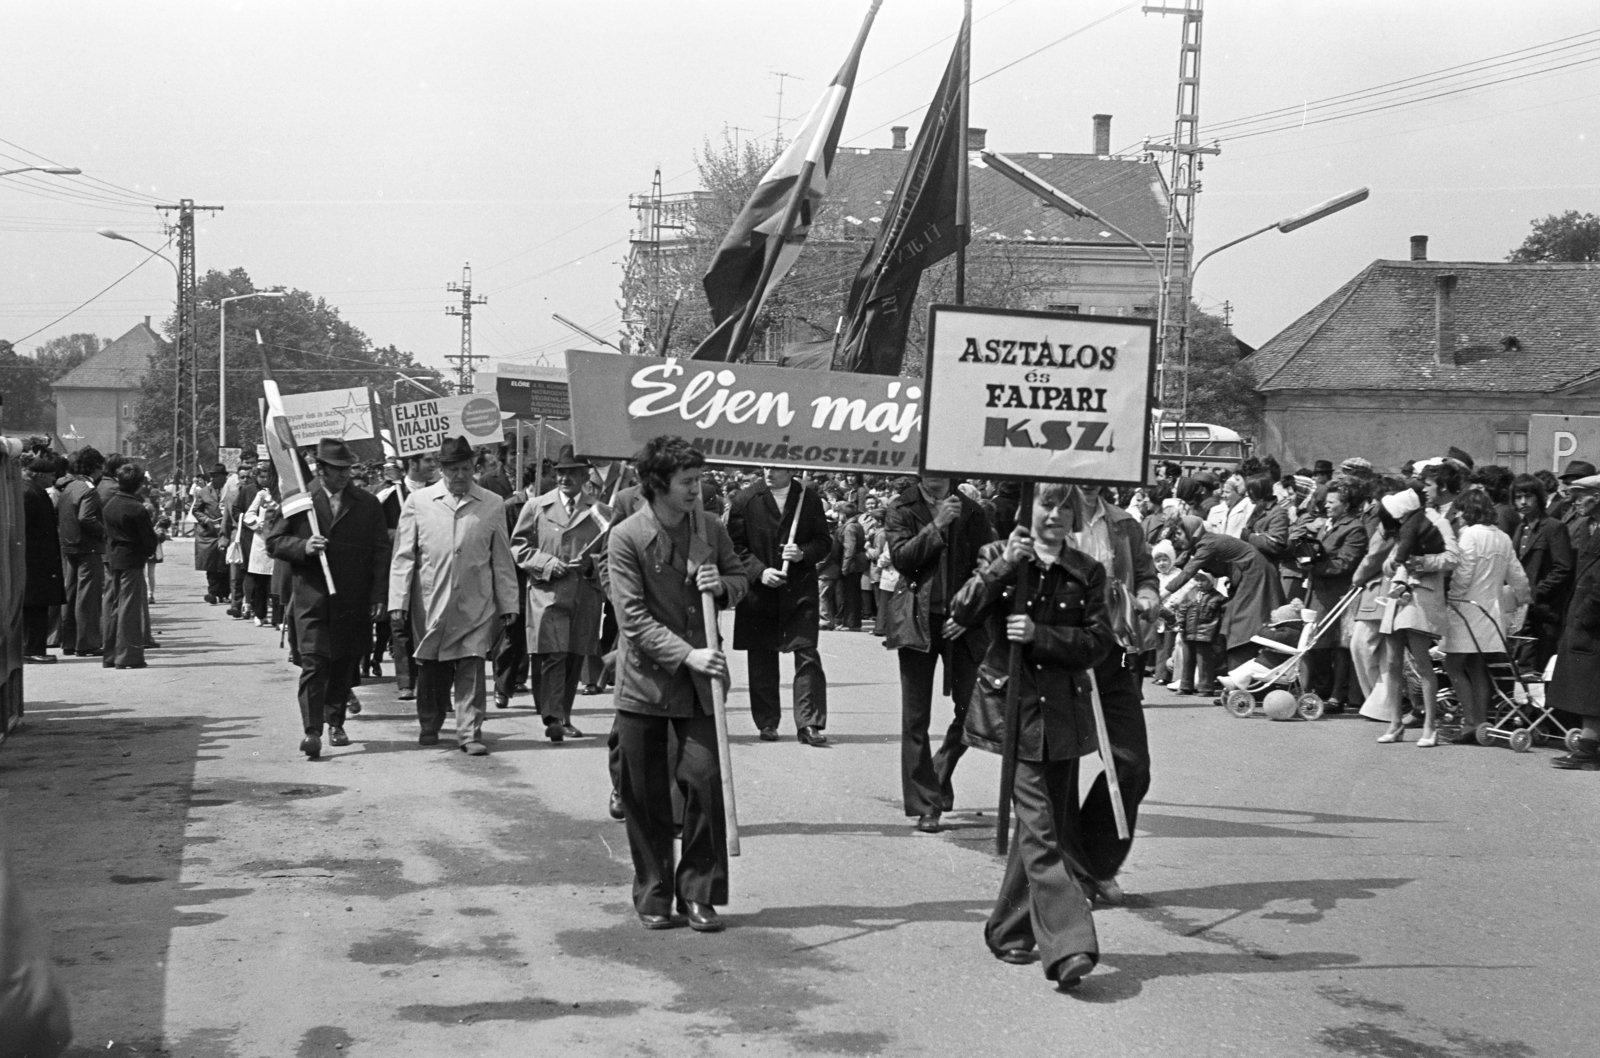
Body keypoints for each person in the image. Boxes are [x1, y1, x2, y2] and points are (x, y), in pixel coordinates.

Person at [949, 482, 1113, 990]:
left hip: (1063, 714)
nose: (1056, 514)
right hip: (1013, 711)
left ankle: (1008, 930)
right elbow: (962, 610)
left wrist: (1040, 635)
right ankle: (1069, 943)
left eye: (1065, 506)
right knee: (1041, 828)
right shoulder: (999, 556)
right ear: (1029, 508)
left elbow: (1099, 642)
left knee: (1043, 828)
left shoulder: (1087, 571)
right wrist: (1004, 567)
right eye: (1046, 503)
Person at [607, 435, 748, 932]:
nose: (696, 489)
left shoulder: (710, 527)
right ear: (657, 484)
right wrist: (687, 654)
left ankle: (699, 893)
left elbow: (740, 577)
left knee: (705, 782)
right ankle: (654, 892)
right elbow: (632, 618)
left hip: (701, 687)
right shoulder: (626, 537)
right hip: (645, 685)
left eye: (699, 480)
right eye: (687, 481)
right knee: (644, 794)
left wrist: (723, 587)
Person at [390, 436, 519, 756]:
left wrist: (508, 603)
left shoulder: (491, 503)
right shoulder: (418, 502)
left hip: (476, 601)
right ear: (441, 470)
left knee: (472, 664)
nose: (460, 475)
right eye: (452, 470)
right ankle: (430, 723)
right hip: (431, 601)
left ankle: (469, 732)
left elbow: (502, 558)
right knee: (431, 666)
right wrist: (398, 600)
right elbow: (403, 556)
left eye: (465, 468)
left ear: (474, 468)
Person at [883, 472, 994, 833]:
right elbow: (903, 559)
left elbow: (987, 569)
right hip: (918, 620)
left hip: (963, 624)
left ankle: (938, 770)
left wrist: (968, 613)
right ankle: (925, 804)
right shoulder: (902, 507)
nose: (933, 476)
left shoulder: (973, 511)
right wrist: (938, 525)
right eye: (926, 469)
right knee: (915, 717)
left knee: (973, 709)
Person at [266, 438, 391, 759]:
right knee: (313, 662)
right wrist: (303, 547)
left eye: (347, 468)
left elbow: (380, 552)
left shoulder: (367, 503)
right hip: (311, 599)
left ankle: (336, 722)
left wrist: (379, 595)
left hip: (352, 600)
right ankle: (312, 731)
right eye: (336, 469)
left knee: (342, 663)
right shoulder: (300, 502)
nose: (343, 475)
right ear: (320, 469)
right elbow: (274, 541)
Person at [726, 465, 833, 745]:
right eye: (766, 467)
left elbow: (824, 541)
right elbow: (734, 547)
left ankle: (809, 723)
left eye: (776, 468)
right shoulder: (745, 500)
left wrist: (803, 552)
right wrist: (760, 572)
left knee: (807, 654)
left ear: (792, 469)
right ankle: (767, 721)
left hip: (799, 590)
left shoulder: (809, 498)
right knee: (761, 657)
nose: (769, 472)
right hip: (760, 593)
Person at [510, 444, 606, 741]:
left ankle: (563, 715)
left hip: (583, 593)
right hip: (547, 592)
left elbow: (610, 555)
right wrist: (548, 564)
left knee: (574, 655)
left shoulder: (600, 512)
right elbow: (519, 547)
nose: (565, 478)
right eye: (561, 472)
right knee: (552, 653)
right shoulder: (536, 507)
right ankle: (553, 716)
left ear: (586, 475)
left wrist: (590, 565)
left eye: (572, 472)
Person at [1441, 487, 1531, 742]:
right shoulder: (1503, 537)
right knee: (1477, 665)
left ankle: (1470, 723)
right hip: (1491, 612)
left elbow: (1463, 573)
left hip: (1466, 609)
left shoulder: (1469, 535)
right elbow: (1517, 576)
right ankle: (1481, 722)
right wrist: (1525, 598)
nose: (1459, 516)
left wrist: (1452, 598)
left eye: (1461, 511)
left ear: (1470, 510)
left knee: (1453, 665)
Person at [1373, 485, 1458, 746]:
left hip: (1422, 595)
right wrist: (1393, 563)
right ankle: (1395, 722)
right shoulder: (1404, 524)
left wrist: (1421, 562)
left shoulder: (1439, 523)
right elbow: (1389, 563)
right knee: (1392, 662)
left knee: (1422, 661)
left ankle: (1430, 726)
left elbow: (1452, 558)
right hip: (1397, 598)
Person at [1163, 517, 1285, 672]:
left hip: (1255, 575)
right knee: (1235, 620)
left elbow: (1187, 574)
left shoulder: (1208, 543)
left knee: (1244, 621)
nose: (1177, 538)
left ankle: (1242, 670)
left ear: (1191, 532)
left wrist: (1160, 596)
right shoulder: (1201, 544)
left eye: (1180, 533)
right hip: (1247, 576)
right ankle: (1234, 670)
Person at [377, 452, 440, 699]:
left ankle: (430, 679)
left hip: (430, 570)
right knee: (399, 623)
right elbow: (376, 532)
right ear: (412, 463)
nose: (433, 465)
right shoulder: (389, 496)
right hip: (398, 569)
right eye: (428, 460)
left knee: (429, 623)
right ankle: (406, 681)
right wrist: (404, 535)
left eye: (434, 460)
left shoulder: (438, 493)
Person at [1548, 474, 1600, 769]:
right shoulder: (1592, 528)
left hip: (1592, 622)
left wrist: (1584, 617)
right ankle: (1589, 746)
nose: (1575, 500)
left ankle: (1588, 750)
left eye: (1582, 495)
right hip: (1587, 620)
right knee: (1589, 684)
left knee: (1591, 685)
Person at [1304, 478, 1370, 711]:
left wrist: (1315, 566)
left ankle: (1336, 695)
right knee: (1317, 642)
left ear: (1346, 504)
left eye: (1332, 502)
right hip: (1318, 591)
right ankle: (1322, 687)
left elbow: (1345, 563)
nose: (1327, 505)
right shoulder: (1327, 524)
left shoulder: (1354, 528)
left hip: (1338, 593)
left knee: (1337, 644)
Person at [101, 463, 160, 670]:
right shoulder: (137, 508)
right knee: (130, 609)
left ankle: (111, 654)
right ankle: (128, 656)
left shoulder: (110, 505)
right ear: (140, 484)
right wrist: (149, 548)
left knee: (117, 607)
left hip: (115, 558)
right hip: (132, 560)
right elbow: (149, 539)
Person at [57, 446, 106, 657]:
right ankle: (87, 642)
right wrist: (104, 532)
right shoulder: (89, 489)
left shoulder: (69, 487)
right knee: (88, 597)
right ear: (96, 467)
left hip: (69, 545)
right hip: (88, 547)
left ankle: (69, 641)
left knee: (70, 594)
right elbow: (86, 517)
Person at [22, 453, 66, 664]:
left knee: (38, 605)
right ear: (39, 475)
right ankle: (32, 649)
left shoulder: (33, 491)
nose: (53, 479)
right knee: (35, 605)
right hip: (35, 559)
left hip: (38, 558)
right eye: (50, 475)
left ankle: (34, 647)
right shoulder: (30, 494)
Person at [242, 466, 282, 627]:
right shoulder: (262, 495)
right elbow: (248, 515)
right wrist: (261, 524)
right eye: (263, 477)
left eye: (269, 477)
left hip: (279, 540)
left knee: (278, 582)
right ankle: (260, 613)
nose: (266, 480)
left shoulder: (283, 494)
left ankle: (278, 618)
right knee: (261, 581)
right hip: (262, 542)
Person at [1172, 571, 1224, 695]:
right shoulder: (1190, 594)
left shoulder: (1218, 597)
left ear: (1211, 581)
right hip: (1188, 632)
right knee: (1187, 660)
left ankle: (1206, 687)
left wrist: (1216, 632)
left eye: (1203, 580)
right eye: (1197, 580)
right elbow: (1182, 610)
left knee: (1204, 661)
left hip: (1206, 633)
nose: (1199, 583)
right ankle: (1185, 685)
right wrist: (1180, 624)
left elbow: (1220, 616)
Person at [191, 463, 231, 603]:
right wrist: (206, 520)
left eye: (217, 476)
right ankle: (213, 593)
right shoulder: (204, 492)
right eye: (212, 476)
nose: (213, 479)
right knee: (212, 564)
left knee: (226, 565)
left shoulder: (230, 490)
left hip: (226, 531)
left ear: (224, 477)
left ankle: (224, 594)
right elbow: (196, 510)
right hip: (210, 533)